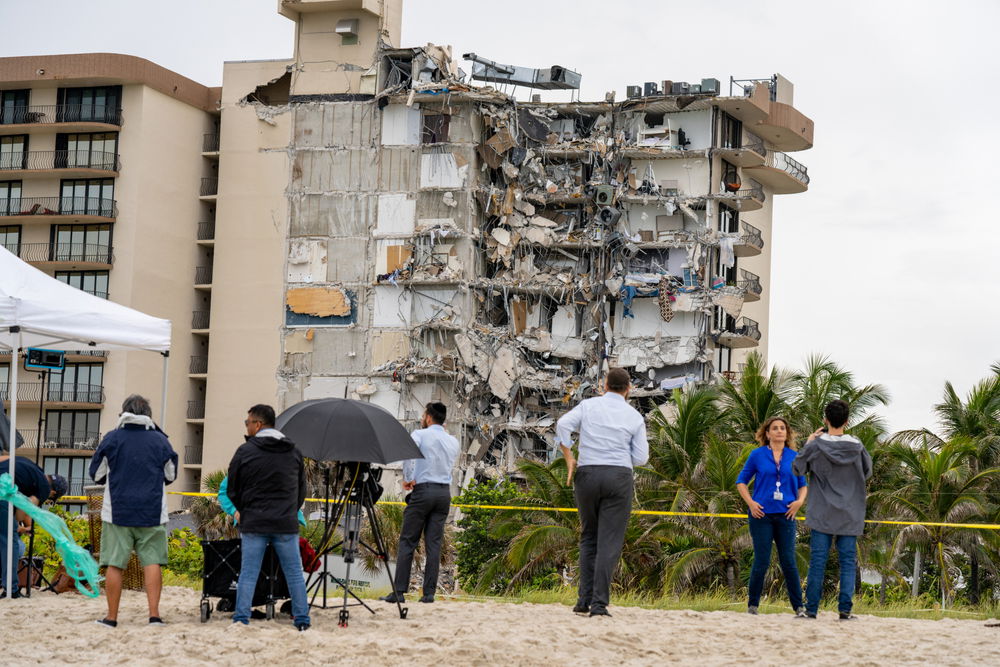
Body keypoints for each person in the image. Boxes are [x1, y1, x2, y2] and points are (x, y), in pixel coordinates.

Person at [556, 367, 648, 617]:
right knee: (609, 542)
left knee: (589, 536)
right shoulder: (634, 416)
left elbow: (563, 425)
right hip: (618, 476)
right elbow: (641, 458)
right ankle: (599, 604)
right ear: (629, 389)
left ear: (604, 386)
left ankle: (582, 600)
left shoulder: (588, 406)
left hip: (587, 473)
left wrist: (569, 456)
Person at [89, 394, 178, 627]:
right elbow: (171, 475)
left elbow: (96, 474)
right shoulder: (161, 441)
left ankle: (111, 617)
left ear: (123, 413)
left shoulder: (112, 438)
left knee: (115, 564)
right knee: (152, 562)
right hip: (152, 511)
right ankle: (154, 615)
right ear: (148, 414)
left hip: (117, 512)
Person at [227, 404, 310, 630]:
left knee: (248, 573)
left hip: (254, 521)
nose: (247, 427)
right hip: (285, 522)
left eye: (248, 423)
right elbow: (301, 489)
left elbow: (232, 488)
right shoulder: (293, 451)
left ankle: (241, 618)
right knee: (294, 573)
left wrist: (246, 509)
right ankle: (302, 619)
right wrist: (289, 509)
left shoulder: (245, 451)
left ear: (258, 424)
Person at [793, 399, 872, 621]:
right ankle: (845, 610)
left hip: (822, 512)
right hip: (850, 512)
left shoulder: (817, 446)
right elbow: (867, 472)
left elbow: (797, 468)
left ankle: (811, 610)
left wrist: (809, 442)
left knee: (818, 561)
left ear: (825, 420)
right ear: (847, 421)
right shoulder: (857, 446)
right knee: (847, 563)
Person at [380, 402, 459, 604]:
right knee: (434, 544)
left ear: (429, 417)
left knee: (408, 540)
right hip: (443, 493)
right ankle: (429, 594)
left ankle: (399, 592)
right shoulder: (453, 441)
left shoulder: (419, 435)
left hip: (423, 491)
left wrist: (408, 478)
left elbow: (409, 457)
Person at [735, 417, 808, 616]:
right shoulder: (757, 455)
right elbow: (741, 481)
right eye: (774, 428)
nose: (779, 431)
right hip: (761, 515)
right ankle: (753, 606)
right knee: (762, 560)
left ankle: (799, 607)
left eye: (782, 428)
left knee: (788, 561)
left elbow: (803, 485)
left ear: (787, 433)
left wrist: (799, 502)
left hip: (786, 514)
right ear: (767, 434)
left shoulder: (794, 456)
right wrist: (750, 503)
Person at [0, 455, 68, 598]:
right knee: (10, 542)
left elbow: (5, 458)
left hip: (3, 484)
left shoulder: (34, 468)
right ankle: (11, 590)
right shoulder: (43, 489)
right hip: (1, 492)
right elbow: (21, 514)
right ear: (53, 492)